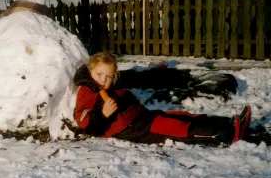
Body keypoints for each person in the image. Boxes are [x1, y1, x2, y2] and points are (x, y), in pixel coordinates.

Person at [73, 52, 251, 145]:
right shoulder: (87, 91)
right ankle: (223, 134)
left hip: (137, 117)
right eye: (99, 74)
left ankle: (227, 123)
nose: (103, 80)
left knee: (177, 117)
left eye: (108, 76)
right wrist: (102, 114)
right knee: (173, 128)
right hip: (130, 128)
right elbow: (84, 122)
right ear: (90, 70)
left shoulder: (100, 85)